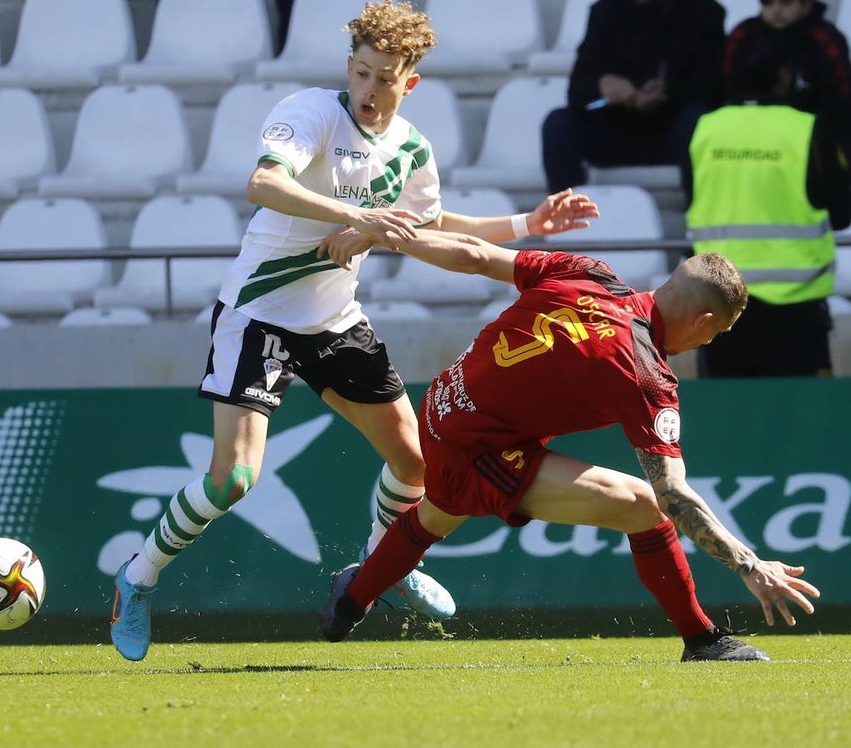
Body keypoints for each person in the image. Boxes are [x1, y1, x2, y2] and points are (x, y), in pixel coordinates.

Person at [109, 0, 602, 661]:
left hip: (335, 321)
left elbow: (430, 225)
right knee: (232, 479)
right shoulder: (311, 112)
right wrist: (363, 219)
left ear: (410, 81)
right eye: (362, 73)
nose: (369, 89)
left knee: (418, 460)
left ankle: (379, 568)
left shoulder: (411, 149)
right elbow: (263, 184)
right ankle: (137, 578)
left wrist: (525, 223)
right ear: (350, 66)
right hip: (260, 315)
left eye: (385, 76)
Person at [317, 232, 821, 661]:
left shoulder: (589, 272)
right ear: (702, 320)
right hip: (476, 447)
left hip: (443, 401)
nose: (709, 343)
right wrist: (750, 566)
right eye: (718, 333)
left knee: (437, 515)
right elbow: (673, 494)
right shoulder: (645, 371)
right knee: (645, 506)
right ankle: (702, 638)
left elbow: (473, 254)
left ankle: (349, 602)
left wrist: (382, 234)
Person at [686, 30, 851, 378]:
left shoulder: (703, 128)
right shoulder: (808, 129)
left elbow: (692, 199)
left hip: (719, 303)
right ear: (784, 75)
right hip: (796, 311)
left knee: (731, 418)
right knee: (803, 421)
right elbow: (842, 214)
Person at [540, 0, 725, 192]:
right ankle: (566, 220)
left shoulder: (705, 13)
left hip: (673, 131)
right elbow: (577, 90)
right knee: (558, 124)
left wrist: (667, 93)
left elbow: (712, 89)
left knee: (697, 122)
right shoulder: (606, 10)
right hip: (618, 128)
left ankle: (698, 220)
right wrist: (602, 85)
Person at [722, 0, 851, 175]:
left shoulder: (825, 40)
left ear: (806, 5)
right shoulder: (745, 36)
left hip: (828, 126)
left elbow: (843, 101)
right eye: (768, 3)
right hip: (763, 126)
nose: (776, 10)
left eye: (785, 2)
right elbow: (730, 90)